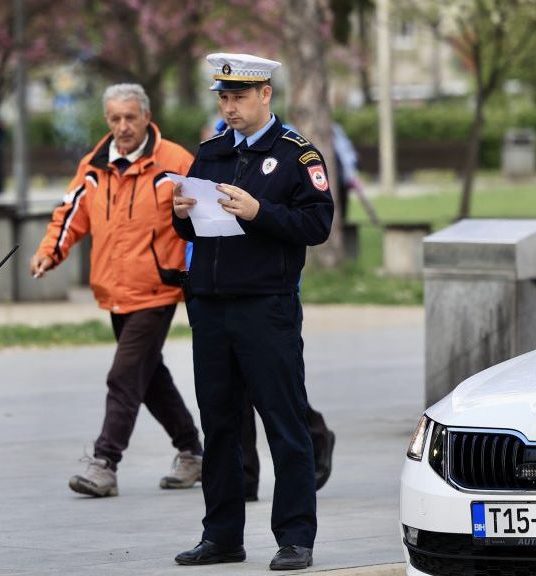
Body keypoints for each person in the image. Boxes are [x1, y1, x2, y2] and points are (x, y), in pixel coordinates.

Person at [172, 54, 332, 570]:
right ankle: (221, 535)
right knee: (218, 424)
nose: (229, 106)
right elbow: (194, 227)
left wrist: (259, 212)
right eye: (223, 96)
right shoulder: (212, 151)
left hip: (267, 306)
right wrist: (182, 216)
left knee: (284, 423)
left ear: (265, 94)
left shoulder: (296, 156)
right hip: (212, 307)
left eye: (239, 96)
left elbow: (317, 224)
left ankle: (295, 538)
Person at [29, 83, 204, 498]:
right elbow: (70, 213)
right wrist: (50, 253)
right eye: (115, 119)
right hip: (115, 288)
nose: (123, 127)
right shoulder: (94, 166)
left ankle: (105, 462)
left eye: (130, 117)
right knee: (150, 377)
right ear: (107, 120)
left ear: (146, 117)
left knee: (124, 375)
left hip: (158, 288)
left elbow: (202, 218)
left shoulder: (175, 162)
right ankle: (193, 452)